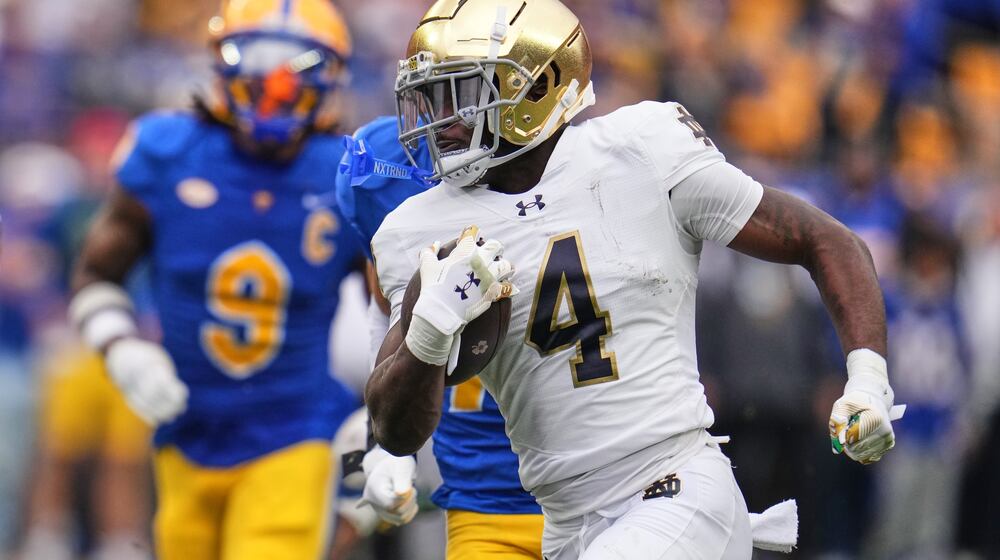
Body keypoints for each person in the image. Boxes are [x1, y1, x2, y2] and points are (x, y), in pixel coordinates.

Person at [365, 0, 905, 558]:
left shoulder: (640, 149)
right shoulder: (419, 229)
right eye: (433, 97)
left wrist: (867, 380)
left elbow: (825, 240)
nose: (443, 121)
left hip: (677, 487)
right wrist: (429, 328)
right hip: (566, 524)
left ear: (538, 88)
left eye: (464, 95)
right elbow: (396, 429)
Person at [67, 1, 365, 558]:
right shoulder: (166, 154)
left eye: (297, 69)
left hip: (293, 433)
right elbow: (96, 274)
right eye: (256, 62)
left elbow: (395, 304)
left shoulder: (346, 175)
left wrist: (380, 425)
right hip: (184, 433)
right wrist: (122, 349)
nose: (275, 85)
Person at [335, 116, 544, 558]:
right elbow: (387, 313)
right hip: (482, 496)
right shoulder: (389, 202)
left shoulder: (540, 201)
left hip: (592, 480)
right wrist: (387, 448)